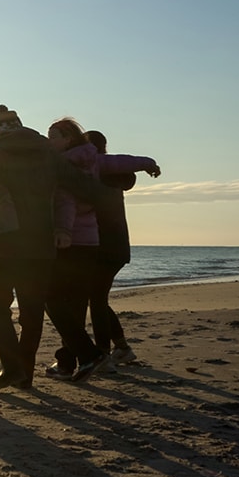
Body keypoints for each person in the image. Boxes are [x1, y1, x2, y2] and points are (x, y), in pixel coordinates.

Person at [0, 105, 109, 390]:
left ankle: (14, 367)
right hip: (41, 242)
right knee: (35, 307)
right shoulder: (49, 153)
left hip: (6, 241)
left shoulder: (0, 153)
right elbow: (86, 189)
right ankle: (81, 355)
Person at [85, 129, 160, 365]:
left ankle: (104, 353)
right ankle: (120, 348)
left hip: (102, 246)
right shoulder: (114, 174)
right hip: (116, 246)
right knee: (97, 298)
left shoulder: (97, 172)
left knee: (95, 299)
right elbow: (128, 164)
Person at [44, 117, 108, 382]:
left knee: (53, 300)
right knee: (75, 305)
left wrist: (63, 232)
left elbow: (67, 202)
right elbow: (122, 162)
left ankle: (89, 354)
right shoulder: (95, 158)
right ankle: (69, 362)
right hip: (92, 242)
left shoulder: (63, 165)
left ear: (68, 139)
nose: (49, 142)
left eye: (53, 137)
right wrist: (148, 164)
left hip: (70, 243)